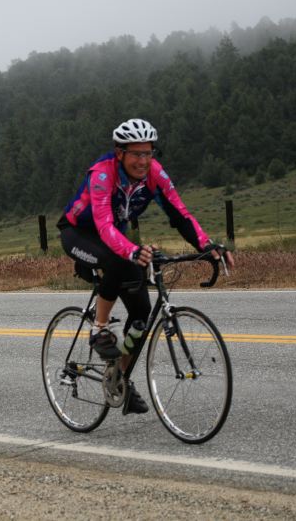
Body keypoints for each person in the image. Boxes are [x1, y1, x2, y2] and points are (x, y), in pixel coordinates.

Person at [58, 118, 234, 413]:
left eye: (148, 153)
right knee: (118, 258)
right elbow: (103, 227)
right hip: (79, 233)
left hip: (115, 236)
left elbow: (180, 215)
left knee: (140, 315)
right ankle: (98, 328)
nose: (143, 161)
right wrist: (131, 251)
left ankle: (118, 377)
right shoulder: (102, 174)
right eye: (136, 154)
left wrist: (206, 246)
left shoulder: (155, 174)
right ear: (120, 153)